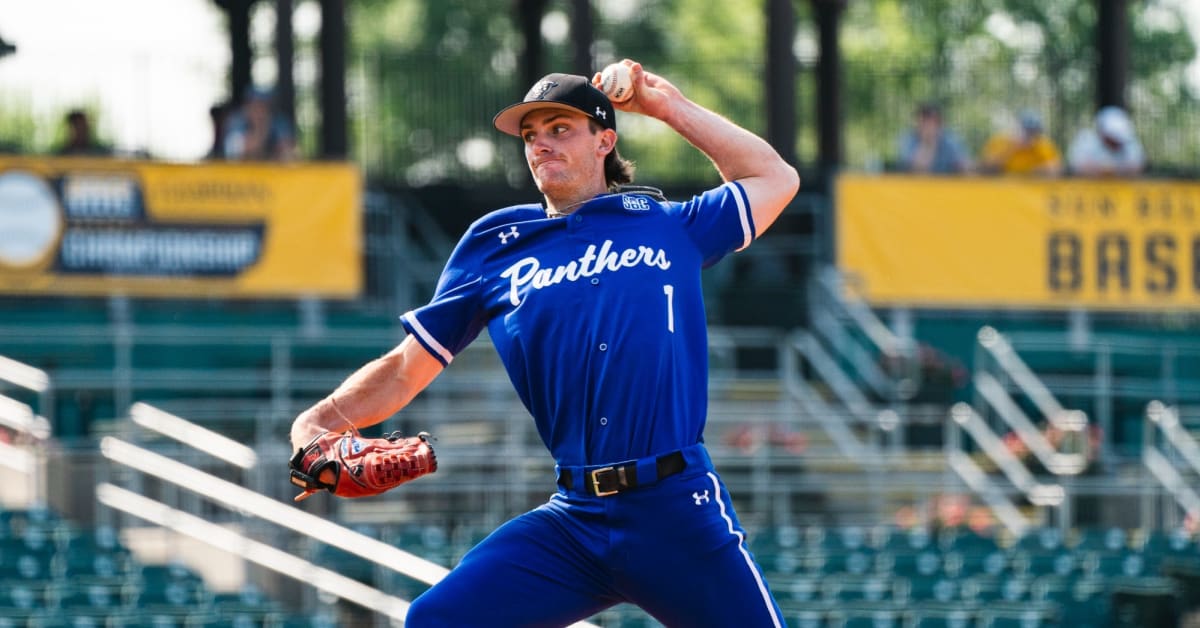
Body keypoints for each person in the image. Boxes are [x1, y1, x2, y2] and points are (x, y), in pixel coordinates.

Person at [289, 59, 798, 626]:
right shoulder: (495, 245)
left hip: (675, 508)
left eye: (560, 129)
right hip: (574, 520)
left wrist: (666, 108)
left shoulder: (668, 224)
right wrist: (323, 419)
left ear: (605, 140)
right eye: (530, 135)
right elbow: (408, 369)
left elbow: (775, 179)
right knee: (436, 620)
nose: (540, 145)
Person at [978, 110, 1063, 177]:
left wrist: (1030, 172)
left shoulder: (1042, 144)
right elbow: (985, 168)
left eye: (1035, 133)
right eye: (1028, 132)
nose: (1031, 138)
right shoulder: (1000, 142)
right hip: (1000, 189)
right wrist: (1011, 149)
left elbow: (1056, 168)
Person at [1067, 105, 1145, 177]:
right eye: (1112, 137)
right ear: (1102, 133)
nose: (1116, 142)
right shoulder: (1086, 140)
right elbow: (1077, 166)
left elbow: (1137, 165)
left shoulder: (1130, 144)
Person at [222, 87, 296, 161]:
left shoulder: (279, 121)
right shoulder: (236, 121)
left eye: (265, 106)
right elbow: (241, 150)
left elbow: (288, 151)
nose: (260, 111)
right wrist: (261, 128)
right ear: (247, 106)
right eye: (256, 105)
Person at [897, 102, 973, 174]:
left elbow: (965, 166)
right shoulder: (908, 140)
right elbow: (918, 170)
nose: (929, 125)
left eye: (933, 121)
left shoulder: (950, 139)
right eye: (924, 121)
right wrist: (928, 142)